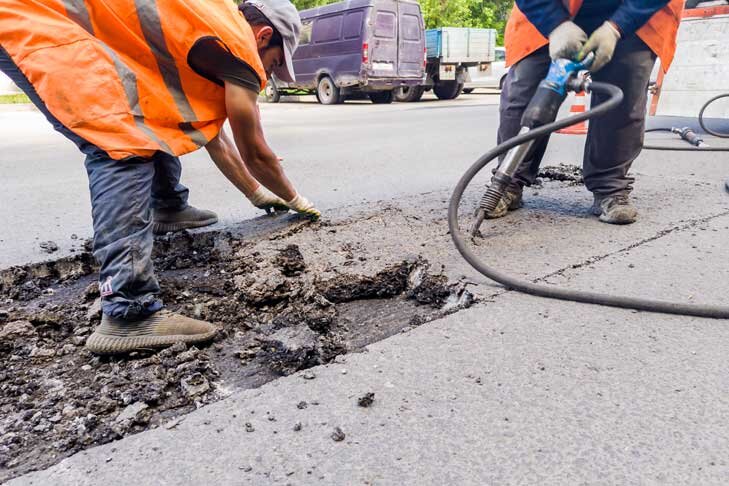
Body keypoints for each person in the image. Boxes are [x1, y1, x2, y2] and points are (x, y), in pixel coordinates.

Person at [0, 0, 319, 354]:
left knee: (155, 114)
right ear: (263, 36)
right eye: (274, 62)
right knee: (121, 145)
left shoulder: (208, 23)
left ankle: (167, 207)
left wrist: (257, 194)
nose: (270, 73)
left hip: (40, 16)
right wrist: (296, 199)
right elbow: (255, 152)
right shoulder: (239, 49)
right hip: (36, 22)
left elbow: (213, 138)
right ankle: (129, 310)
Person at [489, 0, 683, 224]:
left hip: (637, 13)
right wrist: (554, 24)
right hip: (552, 7)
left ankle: (610, 187)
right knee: (526, 88)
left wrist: (616, 27)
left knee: (624, 90)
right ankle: (508, 181)